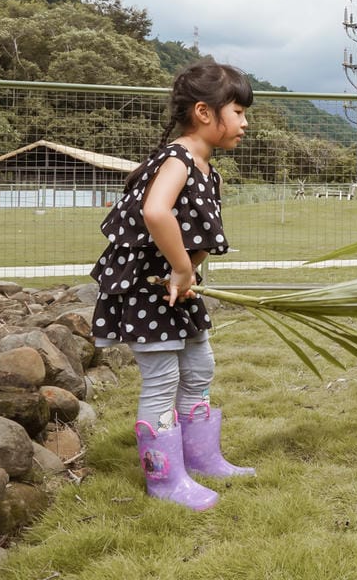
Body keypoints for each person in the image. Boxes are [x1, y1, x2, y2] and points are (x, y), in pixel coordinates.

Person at [91, 58, 255, 511]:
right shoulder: (177, 158)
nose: (245, 122)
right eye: (238, 111)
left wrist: (187, 270)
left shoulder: (209, 170)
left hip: (177, 288)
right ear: (205, 113)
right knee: (162, 380)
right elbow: (156, 213)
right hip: (147, 289)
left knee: (200, 366)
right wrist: (182, 270)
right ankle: (165, 481)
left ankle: (200, 458)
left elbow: (201, 232)